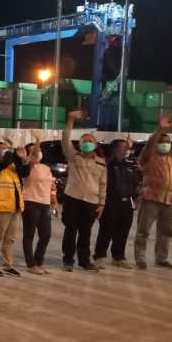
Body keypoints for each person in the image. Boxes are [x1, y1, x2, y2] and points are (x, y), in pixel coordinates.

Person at [134, 115, 172, 270]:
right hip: (151, 198)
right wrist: (159, 129)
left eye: (167, 142)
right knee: (143, 231)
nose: (165, 144)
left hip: (170, 200)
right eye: (162, 142)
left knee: (166, 232)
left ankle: (161, 258)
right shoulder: (148, 157)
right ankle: (140, 258)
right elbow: (148, 145)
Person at [60, 110, 107, 272]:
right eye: (84, 141)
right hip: (73, 199)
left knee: (86, 233)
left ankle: (84, 261)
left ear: (95, 145)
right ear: (79, 144)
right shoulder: (73, 156)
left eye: (90, 141)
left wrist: (102, 204)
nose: (87, 143)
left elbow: (103, 184)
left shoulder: (101, 163)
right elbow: (65, 138)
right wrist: (70, 120)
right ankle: (68, 260)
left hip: (91, 201)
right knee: (70, 231)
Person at [0, 138, 30, 277]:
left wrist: (23, 159)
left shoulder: (11, 166)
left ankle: (8, 265)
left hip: (14, 206)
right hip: (0, 205)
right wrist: (12, 150)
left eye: (7, 149)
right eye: (3, 148)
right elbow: (3, 163)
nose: (7, 151)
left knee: (10, 239)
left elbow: (25, 172)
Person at [93, 139, 139, 268]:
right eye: (123, 147)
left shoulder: (129, 165)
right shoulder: (107, 164)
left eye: (127, 148)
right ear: (115, 149)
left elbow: (134, 182)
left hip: (126, 202)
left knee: (123, 230)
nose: (126, 150)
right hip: (110, 202)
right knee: (106, 230)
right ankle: (100, 256)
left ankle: (118, 257)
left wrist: (135, 197)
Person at [21, 133, 58, 275]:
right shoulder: (27, 166)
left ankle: (39, 260)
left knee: (46, 234)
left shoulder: (45, 168)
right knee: (29, 234)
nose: (38, 152)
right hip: (30, 202)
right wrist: (38, 141)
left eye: (39, 150)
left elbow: (51, 186)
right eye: (34, 151)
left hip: (45, 204)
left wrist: (54, 201)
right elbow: (32, 157)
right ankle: (31, 264)